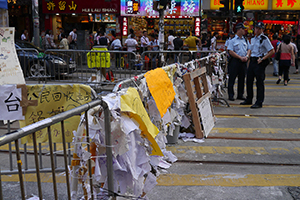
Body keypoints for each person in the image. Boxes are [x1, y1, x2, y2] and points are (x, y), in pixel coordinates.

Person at [240, 22, 275, 108]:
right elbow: (251, 50)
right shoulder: (253, 39)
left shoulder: (264, 38)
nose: (257, 30)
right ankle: (249, 99)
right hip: (252, 60)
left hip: (259, 61)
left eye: (259, 28)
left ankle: (259, 101)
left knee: (259, 82)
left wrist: (263, 59)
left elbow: (272, 51)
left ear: (262, 29)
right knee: (249, 80)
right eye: (256, 28)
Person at [227, 23, 250, 101]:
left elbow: (249, 49)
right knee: (232, 78)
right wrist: (240, 57)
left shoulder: (245, 40)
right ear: (239, 30)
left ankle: (240, 94)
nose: (244, 31)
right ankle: (231, 95)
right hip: (235, 61)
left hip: (243, 61)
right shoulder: (232, 40)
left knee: (242, 78)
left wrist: (247, 56)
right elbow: (230, 51)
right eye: (243, 29)